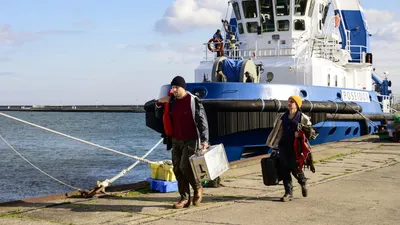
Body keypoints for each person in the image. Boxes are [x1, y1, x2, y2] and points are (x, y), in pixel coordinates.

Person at [156, 76, 209, 209]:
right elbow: (159, 115)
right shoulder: (171, 101)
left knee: (185, 166)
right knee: (177, 169)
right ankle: (184, 198)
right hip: (176, 140)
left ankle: (198, 187)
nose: (173, 90)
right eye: (172, 87)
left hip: (191, 139)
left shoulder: (193, 101)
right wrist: (159, 103)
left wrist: (204, 140)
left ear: (183, 88)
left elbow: (202, 121)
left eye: (176, 87)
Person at [266, 96, 317, 202]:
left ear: (297, 105)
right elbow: (278, 132)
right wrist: (275, 147)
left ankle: (303, 182)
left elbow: (312, 134)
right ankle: (288, 193)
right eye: (289, 101)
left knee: (294, 167)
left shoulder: (302, 117)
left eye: (292, 102)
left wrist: (300, 133)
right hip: (283, 146)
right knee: (284, 169)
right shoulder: (282, 116)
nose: (289, 103)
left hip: (296, 147)